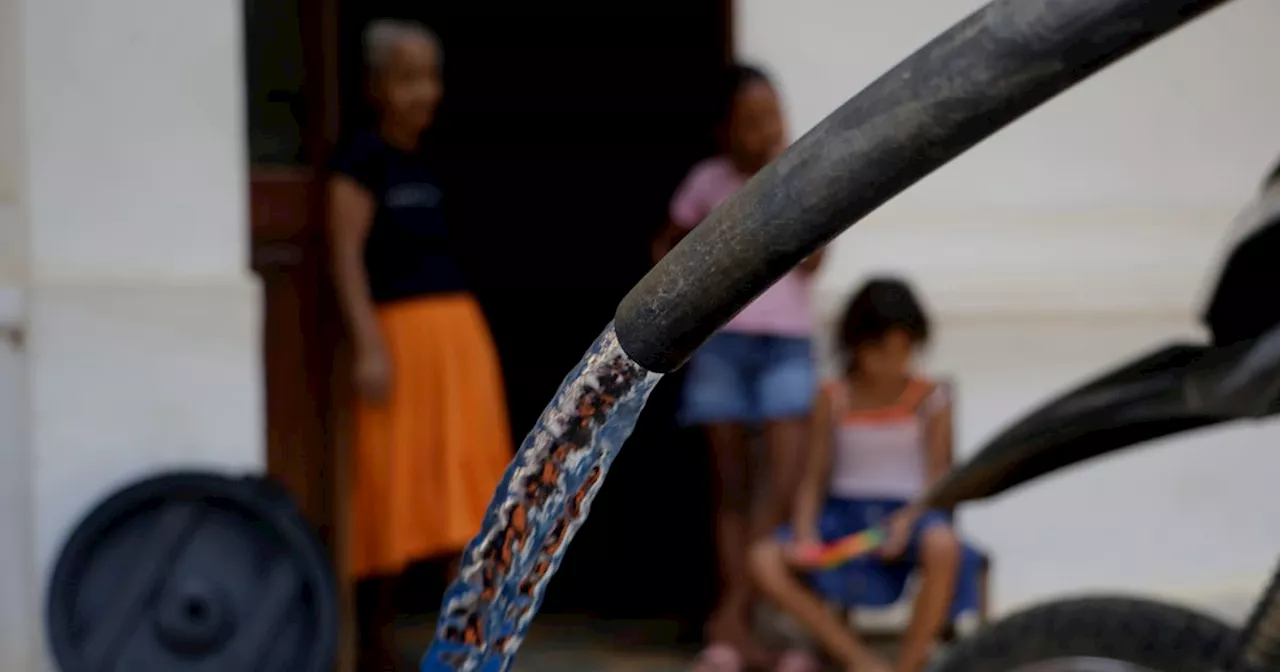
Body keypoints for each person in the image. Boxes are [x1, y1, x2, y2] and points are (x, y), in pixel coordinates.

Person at [327, 19, 513, 672]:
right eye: (407, 79)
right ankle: (370, 640)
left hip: (457, 341)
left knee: (463, 487)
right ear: (376, 86)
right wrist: (368, 345)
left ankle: (465, 643)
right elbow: (344, 255)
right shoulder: (359, 160)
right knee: (392, 490)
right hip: (398, 341)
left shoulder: (433, 158)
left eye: (429, 78)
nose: (422, 93)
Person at [652, 64, 824, 671]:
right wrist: (681, 322)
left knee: (777, 490)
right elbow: (665, 249)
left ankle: (737, 617)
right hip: (722, 346)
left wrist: (790, 191)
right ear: (725, 130)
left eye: (772, 116)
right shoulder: (706, 182)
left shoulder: (799, 172)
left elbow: (816, 262)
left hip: (784, 346)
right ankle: (738, 634)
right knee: (731, 492)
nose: (764, 130)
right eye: (750, 121)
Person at [747, 278, 982, 672]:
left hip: (910, 515)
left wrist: (907, 523)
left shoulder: (932, 398)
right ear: (857, 345)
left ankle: (909, 664)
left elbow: (939, 480)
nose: (894, 362)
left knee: (944, 545)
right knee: (764, 558)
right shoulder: (833, 395)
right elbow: (815, 474)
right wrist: (805, 531)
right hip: (844, 519)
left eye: (904, 350)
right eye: (882, 351)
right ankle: (858, 659)